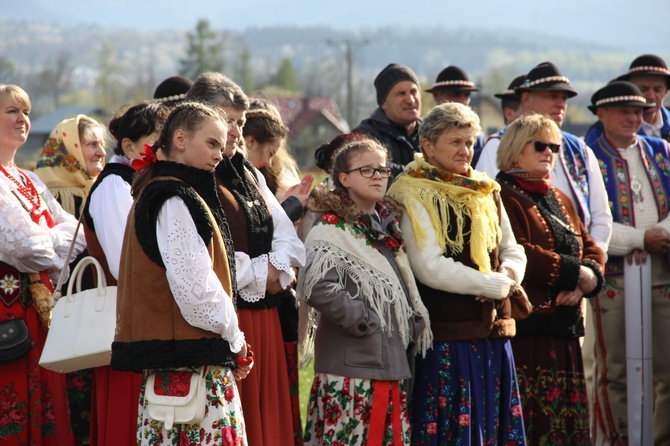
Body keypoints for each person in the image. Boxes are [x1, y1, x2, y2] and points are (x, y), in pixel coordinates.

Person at [110, 101, 251, 445]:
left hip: (181, 367)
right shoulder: (173, 197)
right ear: (181, 138)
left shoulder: (167, 190)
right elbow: (195, 290)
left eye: (223, 145)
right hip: (191, 370)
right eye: (213, 143)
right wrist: (235, 339)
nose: (220, 154)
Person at [387, 102, 528, 444]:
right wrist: (488, 284)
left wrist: (507, 278)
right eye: (456, 142)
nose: (466, 150)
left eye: (470, 142)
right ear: (429, 146)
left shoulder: (484, 188)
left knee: (492, 426)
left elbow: (512, 248)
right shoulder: (414, 190)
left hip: (493, 333)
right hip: (450, 335)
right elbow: (428, 264)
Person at [186, 72, 306, 446]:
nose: (235, 131)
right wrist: (262, 271)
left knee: (267, 422)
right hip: (225, 320)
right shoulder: (188, 176)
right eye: (227, 121)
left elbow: (287, 235)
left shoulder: (246, 170)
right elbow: (201, 256)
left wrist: (277, 270)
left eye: (239, 122)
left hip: (264, 318)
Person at [298, 138, 432, 445]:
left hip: (389, 366)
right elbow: (317, 286)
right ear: (344, 178)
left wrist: (409, 322)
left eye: (383, 170)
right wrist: (365, 320)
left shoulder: (387, 229)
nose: (378, 176)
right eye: (367, 170)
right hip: (350, 374)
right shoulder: (330, 229)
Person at [496, 113, 605, 445]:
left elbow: (590, 247)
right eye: (540, 145)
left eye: (554, 146)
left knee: (566, 425)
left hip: (565, 329)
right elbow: (520, 251)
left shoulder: (560, 198)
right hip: (530, 331)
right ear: (515, 150)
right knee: (534, 422)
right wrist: (575, 275)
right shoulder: (500, 195)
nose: (549, 152)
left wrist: (585, 281)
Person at [585, 81, 670, 445]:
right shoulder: (588, 156)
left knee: (668, 369)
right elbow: (589, 222)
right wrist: (639, 239)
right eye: (623, 110)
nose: (633, 118)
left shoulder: (661, 150)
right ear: (601, 114)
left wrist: (662, 233)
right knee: (612, 368)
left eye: (637, 111)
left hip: (662, 274)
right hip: (613, 278)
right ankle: (613, 439)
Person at [0, 84, 85, 445]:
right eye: (11, 111)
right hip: (8, 313)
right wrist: (48, 234)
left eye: (26, 111)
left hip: (42, 311)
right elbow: (25, 247)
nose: (23, 120)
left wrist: (41, 235)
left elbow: (78, 237)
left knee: (48, 398)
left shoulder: (30, 179)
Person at [82, 102, 169, 446]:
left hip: (141, 316)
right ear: (130, 146)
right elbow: (127, 263)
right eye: (155, 141)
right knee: (127, 417)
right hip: (127, 320)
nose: (161, 149)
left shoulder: (138, 181)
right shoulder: (114, 187)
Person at [476, 61, 612, 256]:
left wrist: (590, 270)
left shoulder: (579, 149)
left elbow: (601, 217)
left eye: (564, 98)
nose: (561, 104)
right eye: (552, 96)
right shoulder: (498, 144)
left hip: (581, 270)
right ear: (526, 98)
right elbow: (488, 212)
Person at [352, 63, 422, 176]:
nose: (410, 100)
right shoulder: (365, 136)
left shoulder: (434, 133)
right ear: (383, 103)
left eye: (414, 91)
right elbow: (372, 171)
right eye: (401, 94)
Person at [585, 54, 670, 146]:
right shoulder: (602, 130)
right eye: (643, 89)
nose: (651, 96)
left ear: (666, 92)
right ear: (630, 91)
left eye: (657, 90)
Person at [425, 65, 485, 164]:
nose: (463, 101)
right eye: (455, 94)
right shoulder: (422, 131)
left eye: (467, 95)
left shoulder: (477, 136)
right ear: (436, 95)